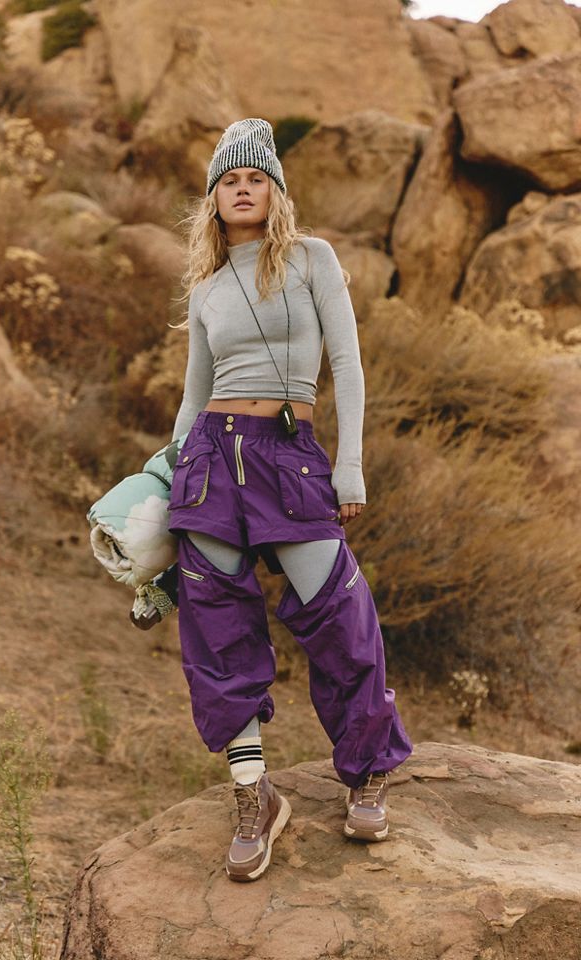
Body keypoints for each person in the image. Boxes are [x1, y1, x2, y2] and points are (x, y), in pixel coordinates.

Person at [166, 118, 413, 883]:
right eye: (229, 181)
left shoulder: (312, 259)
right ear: (214, 198)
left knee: (339, 610)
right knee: (216, 629)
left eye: (255, 178)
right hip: (210, 458)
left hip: (289, 455)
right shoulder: (207, 286)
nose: (242, 190)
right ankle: (254, 794)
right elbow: (194, 396)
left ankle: (367, 771)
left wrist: (350, 465)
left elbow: (349, 364)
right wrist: (165, 478)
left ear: (275, 191)